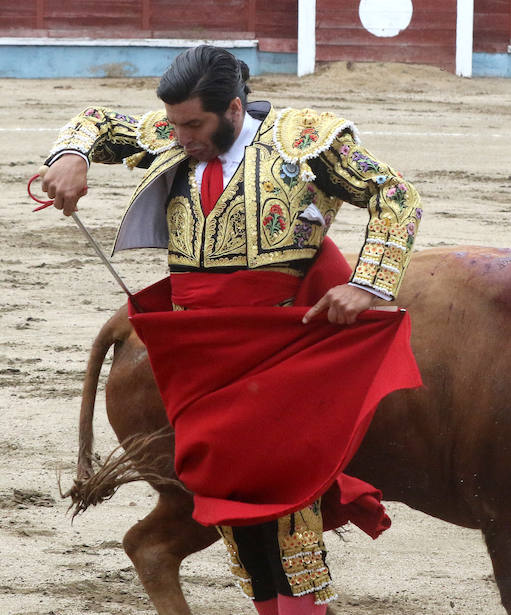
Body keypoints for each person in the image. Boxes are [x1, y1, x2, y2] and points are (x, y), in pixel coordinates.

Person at [41, 45, 423, 615]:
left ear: (235, 108)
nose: (181, 136)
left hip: (281, 346)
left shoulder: (306, 140)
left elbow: (395, 195)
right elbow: (98, 121)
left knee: (285, 506)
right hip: (200, 352)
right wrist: (71, 154)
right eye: (174, 123)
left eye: (194, 124)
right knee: (230, 505)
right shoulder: (172, 132)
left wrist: (369, 283)